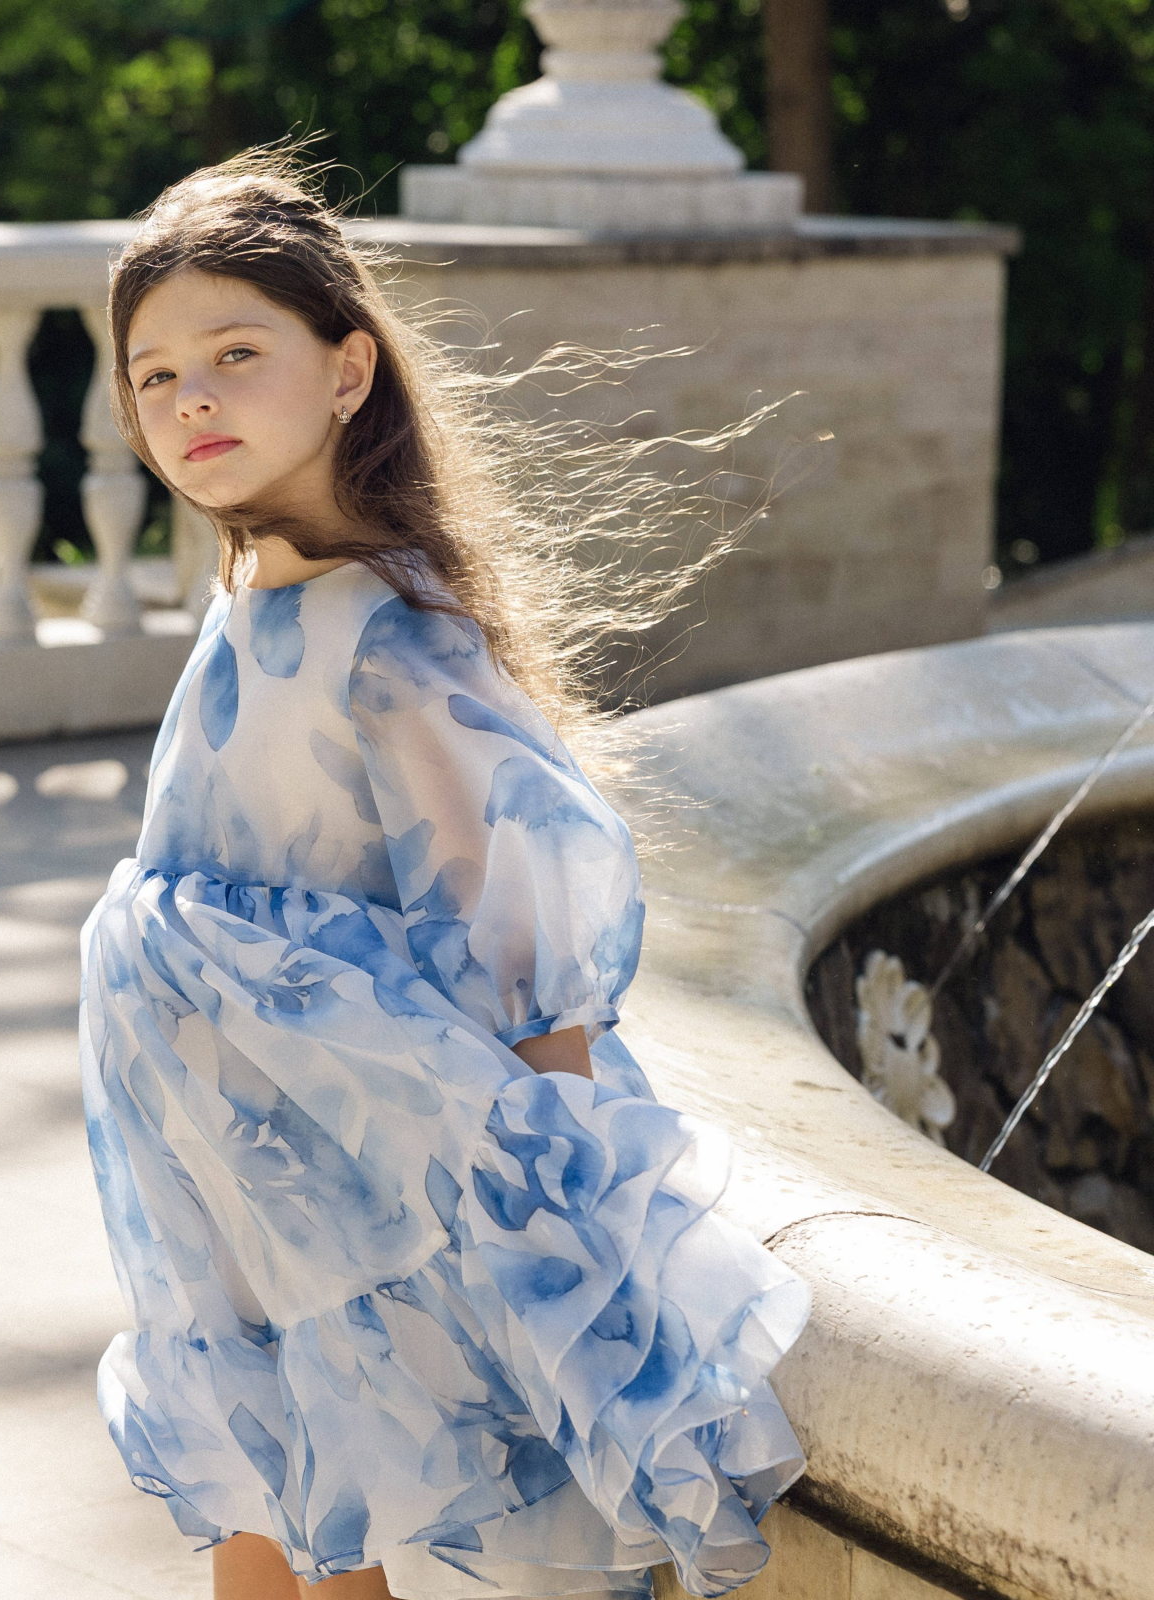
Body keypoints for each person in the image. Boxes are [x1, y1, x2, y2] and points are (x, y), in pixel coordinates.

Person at [78, 153, 810, 1600]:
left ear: (349, 370)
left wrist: (573, 1256)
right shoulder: (247, 595)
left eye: (236, 355)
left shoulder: (395, 642)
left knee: (359, 1536)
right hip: (249, 1200)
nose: (191, 401)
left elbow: (524, 958)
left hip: (376, 1206)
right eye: (154, 377)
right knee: (267, 1521)